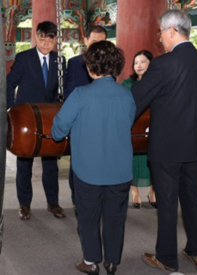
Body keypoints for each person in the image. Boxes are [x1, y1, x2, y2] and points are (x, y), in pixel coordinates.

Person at [131, 10, 197, 272]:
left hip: (167, 145)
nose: (159, 38)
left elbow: (136, 100)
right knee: (195, 198)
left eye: (160, 33)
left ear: (171, 31)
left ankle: (166, 258)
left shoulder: (163, 64)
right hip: (195, 142)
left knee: (167, 202)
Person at [52, 40, 135, 275]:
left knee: (87, 217)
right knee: (115, 217)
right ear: (116, 66)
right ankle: (112, 261)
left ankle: (91, 261)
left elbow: (59, 130)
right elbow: (126, 123)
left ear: (90, 68)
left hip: (88, 170)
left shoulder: (80, 95)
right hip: (119, 170)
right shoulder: (127, 95)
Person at [6, 21, 66, 220]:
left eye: (51, 38)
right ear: (36, 37)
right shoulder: (24, 58)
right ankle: (24, 204)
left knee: (51, 164)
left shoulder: (60, 60)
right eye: (42, 37)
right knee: (24, 163)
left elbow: (63, 90)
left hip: (50, 119)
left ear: (55, 40)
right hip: (27, 119)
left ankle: (53, 203)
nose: (46, 42)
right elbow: (9, 83)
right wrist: (12, 109)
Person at [64, 24, 107, 208]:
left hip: (104, 122)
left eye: (102, 42)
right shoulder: (75, 63)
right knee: (79, 163)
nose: (98, 46)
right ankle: (78, 201)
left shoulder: (111, 63)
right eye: (94, 42)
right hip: (82, 121)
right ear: (85, 40)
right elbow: (69, 93)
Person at [122, 50, 157, 209]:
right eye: (136, 63)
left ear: (151, 64)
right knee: (132, 159)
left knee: (153, 158)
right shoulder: (127, 84)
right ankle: (134, 190)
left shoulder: (158, 83)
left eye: (143, 62)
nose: (139, 65)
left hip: (153, 128)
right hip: (133, 128)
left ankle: (153, 190)